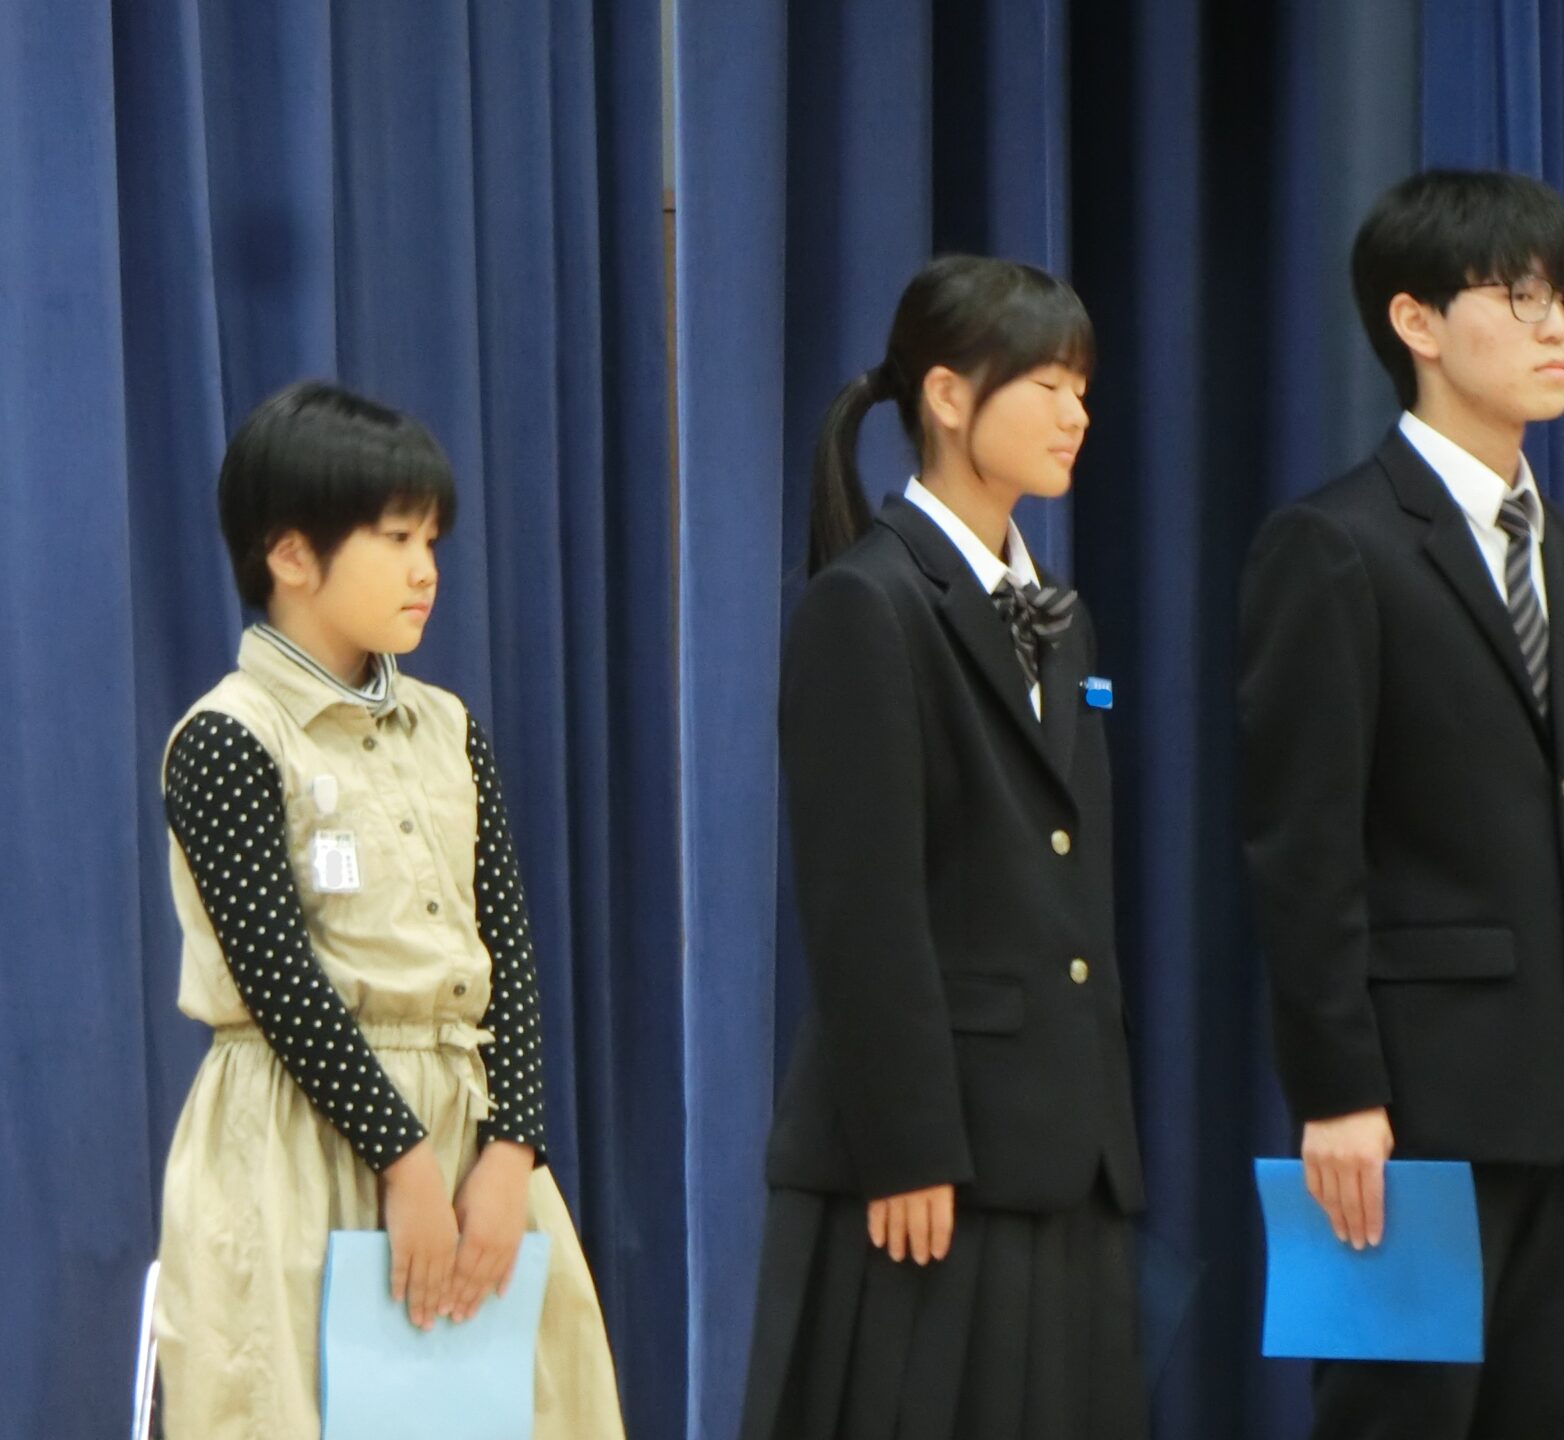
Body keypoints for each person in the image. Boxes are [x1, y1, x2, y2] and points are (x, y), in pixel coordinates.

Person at [152, 381, 625, 1437]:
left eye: (433, 540)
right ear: (291, 555)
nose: (426, 570)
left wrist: (513, 1150)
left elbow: (506, 952)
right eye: (396, 537)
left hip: (468, 1140)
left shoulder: (449, 728)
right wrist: (403, 1163)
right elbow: (280, 980)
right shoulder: (229, 736)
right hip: (302, 1136)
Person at [1237, 170, 1564, 1438]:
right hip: (1402, 1110)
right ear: (1416, 322)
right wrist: (1338, 1091)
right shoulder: (1334, 542)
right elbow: (1303, 844)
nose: (1557, 327)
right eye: (1518, 296)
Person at [736, 255, 1148, 1440]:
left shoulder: (1059, 614)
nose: (1076, 414)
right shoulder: (867, 604)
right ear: (950, 396)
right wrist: (910, 1144)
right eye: (1048, 385)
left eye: (1084, 389)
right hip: (931, 1163)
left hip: (1063, 1150)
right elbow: (862, 907)